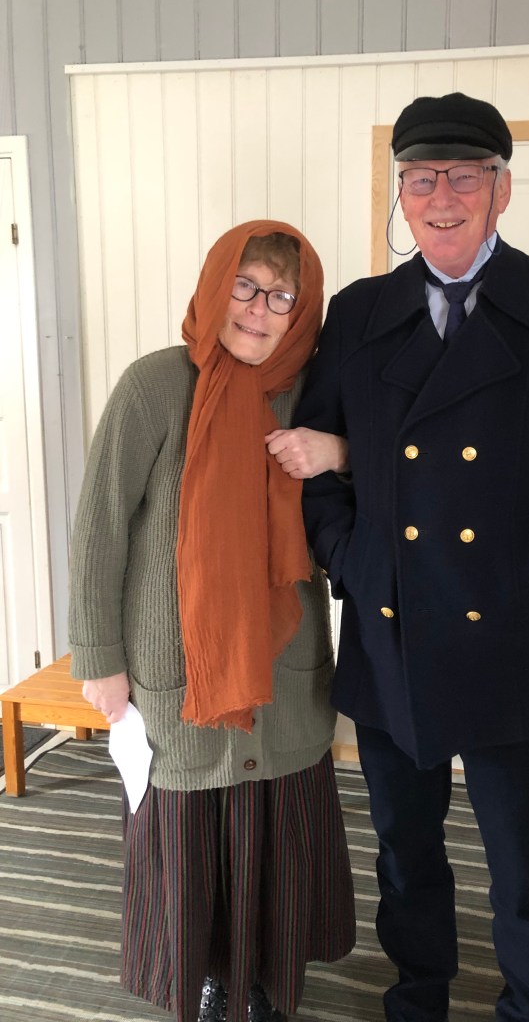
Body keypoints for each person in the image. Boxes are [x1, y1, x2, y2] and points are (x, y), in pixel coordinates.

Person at [291, 93, 529, 1022]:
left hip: (511, 631)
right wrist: (353, 562)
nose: (440, 197)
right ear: (401, 194)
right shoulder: (359, 312)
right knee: (406, 849)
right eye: (420, 178)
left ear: (502, 189)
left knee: (525, 856)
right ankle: (418, 997)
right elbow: (315, 462)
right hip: (391, 626)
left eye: (463, 176)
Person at [69, 221, 355, 1022]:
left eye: (281, 296)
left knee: (276, 835)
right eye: (245, 286)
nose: (259, 310)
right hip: (179, 672)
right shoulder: (154, 386)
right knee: (192, 834)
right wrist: (98, 657)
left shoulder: (314, 392)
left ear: (302, 310)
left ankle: (265, 980)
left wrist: (338, 449)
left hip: (284, 672)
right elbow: (99, 529)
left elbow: (385, 473)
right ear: (215, 285)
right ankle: (205, 977)